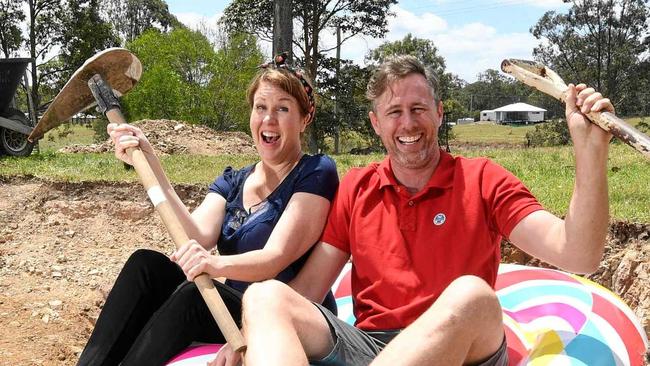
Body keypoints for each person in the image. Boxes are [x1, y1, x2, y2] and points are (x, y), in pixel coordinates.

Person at [238, 55, 614, 366]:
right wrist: (254, 334)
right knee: (264, 297)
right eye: (394, 112)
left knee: (472, 295)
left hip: (462, 348)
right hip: (372, 348)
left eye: (418, 109)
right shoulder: (357, 187)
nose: (408, 123)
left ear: (438, 113)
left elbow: (579, 253)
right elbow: (307, 292)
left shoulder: (483, 179)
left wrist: (590, 150)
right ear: (376, 124)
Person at [76, 54, 339, 366]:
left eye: (283, 108)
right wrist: (149, 161)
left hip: (287, 315)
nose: (269, 119)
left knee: (192, 298)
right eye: (260, 108)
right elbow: (196, 236)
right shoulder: (234, 180)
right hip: (234, 308)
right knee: (145, 265)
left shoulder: (315, 171)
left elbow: (275, 258)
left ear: (304, 118)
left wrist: (215, 265)